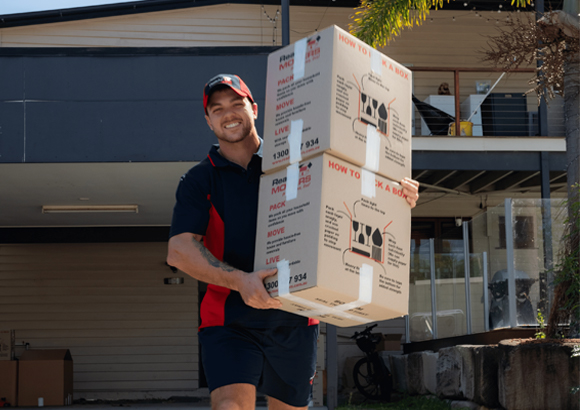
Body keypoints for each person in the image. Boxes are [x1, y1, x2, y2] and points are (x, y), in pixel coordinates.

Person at [166, 73, 420, 410]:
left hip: (295, 315)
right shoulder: (199, 179)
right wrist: (241, 281)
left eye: (237, 104)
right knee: (229, 406)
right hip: (228, 319)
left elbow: (351, 196)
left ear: (254, 109)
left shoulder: (296, 162)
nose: (228, 113)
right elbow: (179, 251)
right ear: (208, 120)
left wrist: (394, 195)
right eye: (218, 108)